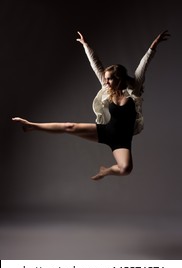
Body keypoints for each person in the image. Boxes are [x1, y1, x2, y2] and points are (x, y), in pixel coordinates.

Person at [12, 30, 170, 180]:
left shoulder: (133, 87)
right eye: (105, 78)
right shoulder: (107, 89)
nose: (106, 81)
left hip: (122, 139)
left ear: (119, 78)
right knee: (69, 126)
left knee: (125, 169)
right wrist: (86, 46)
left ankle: (106, 170)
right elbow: (96, 64)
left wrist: (153, 46)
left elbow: (144, 65)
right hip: (106, 130)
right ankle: (32, 125)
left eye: (109, 79)